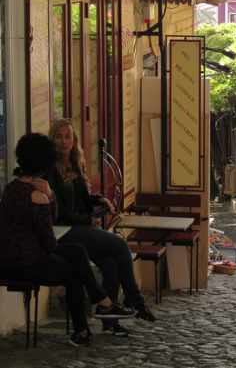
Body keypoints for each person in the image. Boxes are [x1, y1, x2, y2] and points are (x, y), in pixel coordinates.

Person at [0, 133, 135, 346]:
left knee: (77, 254)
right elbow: (49, 240)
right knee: (75, 267)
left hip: (8, 260)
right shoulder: (38, 195)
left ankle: (90, 323)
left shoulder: (10, 189)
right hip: (27, 264)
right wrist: (51, 196)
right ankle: (102, 307)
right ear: (44, 163)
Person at [48, 119, 156, 338]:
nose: (63, 141)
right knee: (118, 244)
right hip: (63, 232)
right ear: (52, 139)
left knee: (110, 262)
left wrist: (100, 200)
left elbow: (83, 199)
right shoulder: (50, 168)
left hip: (80, 227)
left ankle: (110, 321)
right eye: (58, 136)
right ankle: (135, 299)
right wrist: (87, 219)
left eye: (67, 136)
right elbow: (57, 212)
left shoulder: (76, 162)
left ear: (74, 139)